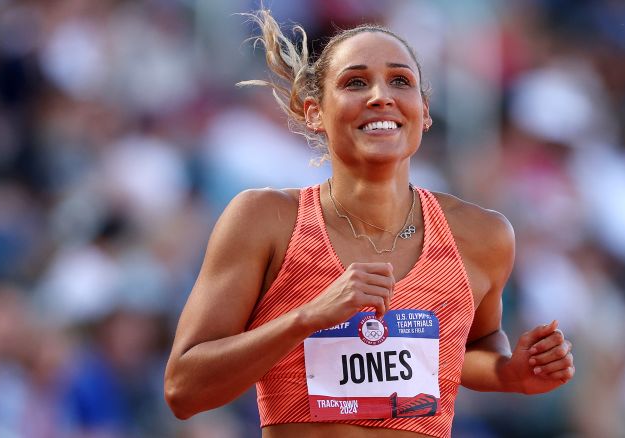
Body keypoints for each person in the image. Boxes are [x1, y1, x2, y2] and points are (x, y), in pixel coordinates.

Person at [164, 8, 575, 437]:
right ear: (314, 113)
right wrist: (308, 317)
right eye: (355, 82)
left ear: (424, 112)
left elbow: (470, 346)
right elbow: (183, 389)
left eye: (400, 81)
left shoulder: (482, 235)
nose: (381, 96)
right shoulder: (264, 220)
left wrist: (510, 373)